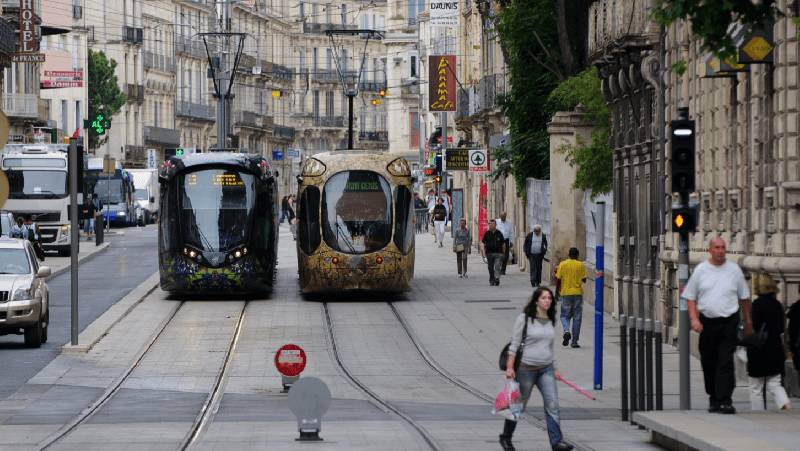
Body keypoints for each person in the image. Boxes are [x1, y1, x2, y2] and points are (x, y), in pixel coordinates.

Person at [682, 237, 752, 414]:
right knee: (708, 360)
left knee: (725, 360)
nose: (721, 250)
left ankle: (726, 399)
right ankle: (713, 397)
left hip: (729, 320)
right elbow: (690, 297)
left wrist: (748, 322)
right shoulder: (701, 270)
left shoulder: (734, 270)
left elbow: (744, 298)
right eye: (717, 247)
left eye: (723, 247)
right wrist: (694, 319)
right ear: (710, 250)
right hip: (707, 321)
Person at [500, 286, 573, 451]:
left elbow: (550, 346)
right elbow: (515, 344)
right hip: (525, 369)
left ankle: (557, 442)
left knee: (552, 404)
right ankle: (506, 437)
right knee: (519, 405)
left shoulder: (550, 319)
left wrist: (554, 367)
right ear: (536, 301)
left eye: (549, 298)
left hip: (545, 369)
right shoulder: (524, 319)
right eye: (544, 298)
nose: (547, 301)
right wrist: (510, 367)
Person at [746, 274, 792, 410]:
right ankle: (785, 404)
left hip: (758, 350)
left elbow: (753, 326)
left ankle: (759, 414)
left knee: (756, 388)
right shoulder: (778, 304)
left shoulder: (757, 304)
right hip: (775, 347)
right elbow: (780, 328)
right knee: (775, 384)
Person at [555, 248, 587, 348]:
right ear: (577, 255)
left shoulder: (562, 264)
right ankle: (574, 342)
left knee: (564, 315)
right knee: (577, 318)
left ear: (568, 254)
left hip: (566, 294)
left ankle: (566, 331)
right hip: (577, 294)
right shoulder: (580, 265)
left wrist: (556, 292)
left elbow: (558, 279)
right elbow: (584, 279)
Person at [481, 219, 505, 286]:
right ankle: (492, 280)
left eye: (493, 223)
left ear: (495, 225)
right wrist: (483, 252)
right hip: (489, 253)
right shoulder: (487, 233)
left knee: (497, 266)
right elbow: (483, 243)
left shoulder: (499, 233)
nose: (491, 225)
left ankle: (497, 278)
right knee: (490, 267)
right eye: (490, 223)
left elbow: (503, 243)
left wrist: (503, 252)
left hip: (498, 253)